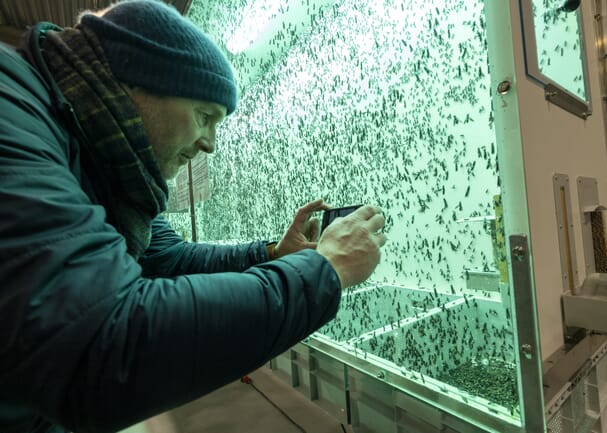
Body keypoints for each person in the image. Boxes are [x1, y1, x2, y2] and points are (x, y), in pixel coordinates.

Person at [0, 0, 386, 432]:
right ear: (135, 83)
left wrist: (275, 253)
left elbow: (167, 260)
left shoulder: (103, 165)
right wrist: (322, 271)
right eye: (205, 117)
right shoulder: (11, 112)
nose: (210, 145)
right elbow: (97, 347)